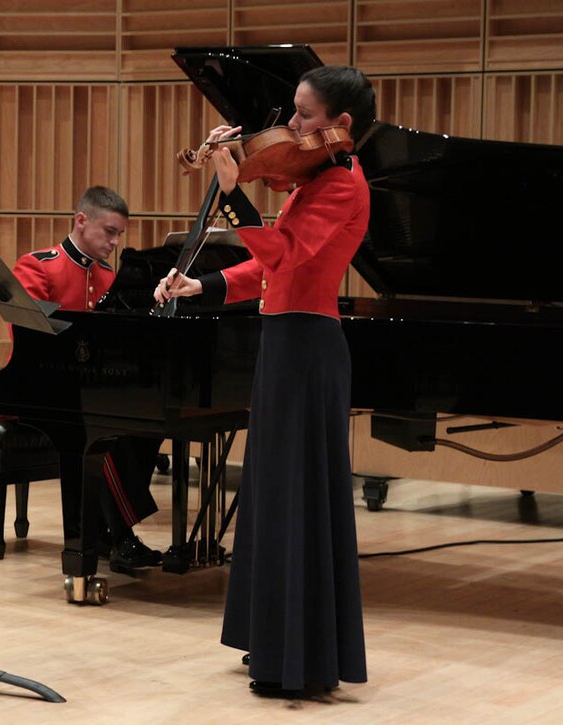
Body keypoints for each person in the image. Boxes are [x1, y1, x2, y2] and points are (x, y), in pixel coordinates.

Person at [154, 66, 374, 695]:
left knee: (297, 496)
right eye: (294, 112)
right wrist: (206, 284)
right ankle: (278, 640)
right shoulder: (314, 179)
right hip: (287, 342)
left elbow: (286, 256)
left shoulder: (344, 186)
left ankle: (300, 658)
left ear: (341, 125)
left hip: (308, 349)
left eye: (304, 116)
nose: (291, 126)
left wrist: (234, 195)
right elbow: (269, 266)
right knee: (275, 493)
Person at [12, 185, 163, 572]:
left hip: (95, 388)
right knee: (108, 428)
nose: (114, 242)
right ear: (82, 221)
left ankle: (112, 532)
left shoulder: (111, 276)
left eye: (119, 235)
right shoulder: (37, 265)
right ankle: (118, 537)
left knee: (149, 423)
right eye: (109, 232)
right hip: (42, 385)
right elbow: (31, 339)